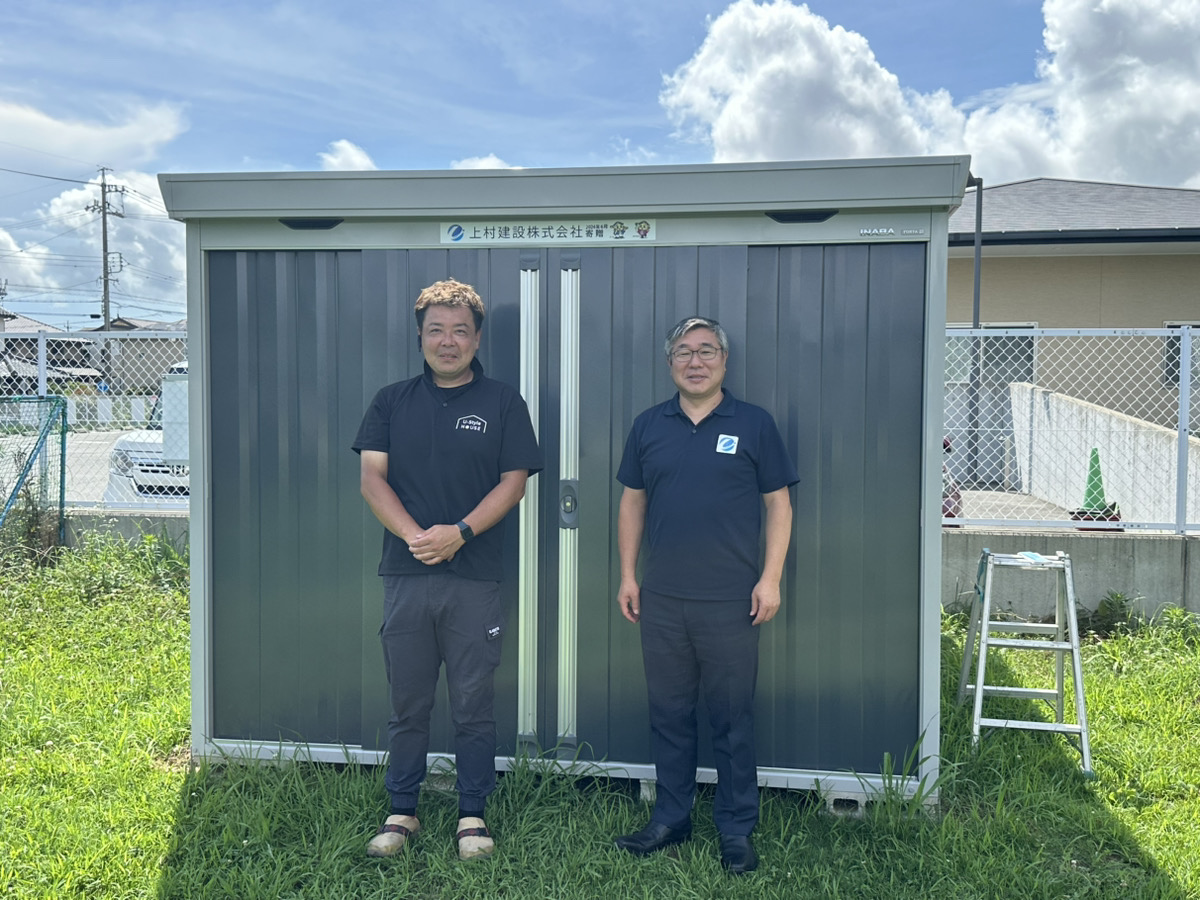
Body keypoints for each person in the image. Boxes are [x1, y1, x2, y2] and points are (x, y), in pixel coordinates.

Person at [352, 279, 543, 861]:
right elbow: (372, 479)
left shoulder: (503, 403)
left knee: (472, 702)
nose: (448, 341)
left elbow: (514, 482)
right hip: (406, 574)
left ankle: (472, 815)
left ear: (477, 338)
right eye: (436, 330)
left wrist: (459, 533)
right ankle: (401, 811)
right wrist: (419, 538)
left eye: (460, 330)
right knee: (408, 702)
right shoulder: (391, 401)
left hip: (474, 576)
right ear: (420, 336)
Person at [613, 316, 797, 876]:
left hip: (731, 602)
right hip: (663, 600)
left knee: (731, 718)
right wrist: (628, 575)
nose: (695, 361)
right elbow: (632, 502)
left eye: (707, 351)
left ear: (724, 360)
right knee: (669, 715)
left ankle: (736, 829)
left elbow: (779, 505)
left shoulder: (754, 424)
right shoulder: (649, 426)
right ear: (670, 362)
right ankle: (671, 818)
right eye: (684, 352)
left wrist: (770, 578)